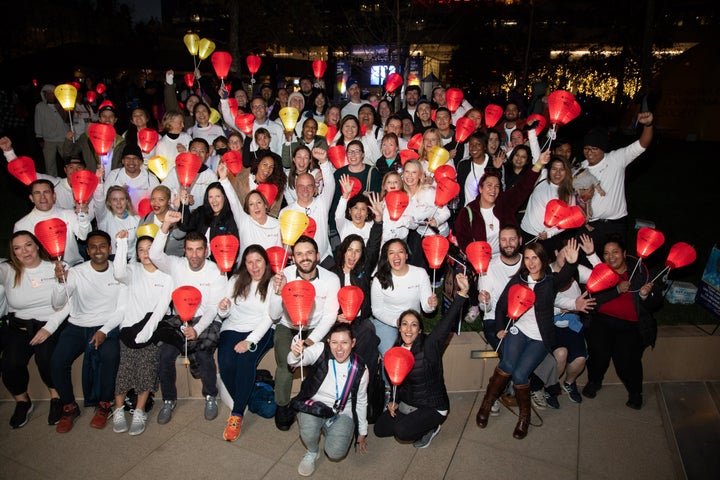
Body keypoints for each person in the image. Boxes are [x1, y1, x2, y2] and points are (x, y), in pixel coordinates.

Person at [475, 240, 580, 439]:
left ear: (543, 260)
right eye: (528, 258)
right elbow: (501, 306)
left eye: (536, 258)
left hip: (540, 337)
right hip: (519, 330)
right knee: (506, 364)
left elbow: (565, 275)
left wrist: (572, 263)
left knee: (520, 375)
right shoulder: (519, 280)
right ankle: (487, 404)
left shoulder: (549, 282)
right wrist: (498, 328)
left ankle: (524, 416)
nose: (531, 262)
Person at [374, 273, 469, 448]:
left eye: (414, 325)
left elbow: (446, 323)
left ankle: (431, 428)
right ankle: (414, 419)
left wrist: (462, 294)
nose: (408, 329)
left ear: (419, 330)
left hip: (432, 405)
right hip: (410, 402)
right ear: (399, 327)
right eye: (404, 324)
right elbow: (399, 384)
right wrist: (393, 401)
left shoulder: (429, 346)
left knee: (402, 432)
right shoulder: (396, 352)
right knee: (379, 430)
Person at [149, 213, 228, 425]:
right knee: (165, 355)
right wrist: (165, 226)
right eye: (190, 249)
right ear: (184, 250)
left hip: (205, 319)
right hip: (179, 319)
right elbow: (155, 255)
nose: (194, 255)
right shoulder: (176, 264)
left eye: (199, 249)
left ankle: (210, 395)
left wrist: (198, 329)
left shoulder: (217, 271)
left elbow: (212, 308)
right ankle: (168, 400)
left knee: (204, 354)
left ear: (207, 251)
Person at [49, 230, 125, 433]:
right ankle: (69, 406)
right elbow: (58, 304)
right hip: (77, 325)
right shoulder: (76, 272)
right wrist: (60, 282)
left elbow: (122, 308)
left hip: (107, 325)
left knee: (111, 355)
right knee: (57, 360)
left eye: (102, 246)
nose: (98, 250)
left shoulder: (119, 272)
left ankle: (105, 404)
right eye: (93, 247)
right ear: (87, 251)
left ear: (110, 249)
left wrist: (104, 331)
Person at [269, 236, 341, 431]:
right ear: (293, 258)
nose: (305, 258)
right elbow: (274, 315)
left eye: (309, 253)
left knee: (321, 363)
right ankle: (283, 405)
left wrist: (309, 341)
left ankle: (313, 402)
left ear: (317, 255)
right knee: (286, 363)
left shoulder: (331, 279)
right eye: (299, 254)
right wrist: (279, 291)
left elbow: (329, 316)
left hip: (315, 328)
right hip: (288, 325)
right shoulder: (283, 275)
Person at [582, 235, 661, 409]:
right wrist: (617, 290)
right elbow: (595, 300)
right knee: (598, 352)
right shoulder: (600, 272)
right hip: (602, 320)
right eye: (606, 253)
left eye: (615, 252)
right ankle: (594, 381)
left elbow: (655, 303)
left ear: (624, 253)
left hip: (630, 325)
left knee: (627, 359)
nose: (611, 257)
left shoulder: (639, 271)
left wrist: (645, 295)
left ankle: (635, 392)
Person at [0, 231, 70, 428]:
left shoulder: (56, 267)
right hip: (19, 326)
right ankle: (22, 401)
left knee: (46, 357)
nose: (24, 251)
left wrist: (48, 328)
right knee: (10, 363)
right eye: (17, 248)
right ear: (13, 252)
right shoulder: (8, 270)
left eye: (28, 245)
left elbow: (68, 302)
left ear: (37, 245)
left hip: (50, 323)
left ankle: (56, 397)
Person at [110, 231, 173, 436]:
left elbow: (161, 308)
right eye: (141, 250)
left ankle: (139, 410)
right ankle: (118, 409)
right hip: (129, 327)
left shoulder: (167, 275)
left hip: (152, 327)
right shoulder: (132, 270)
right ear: (136, 253)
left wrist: (146, 333)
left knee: (147, 364)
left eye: (149, 249)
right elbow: (118, 273)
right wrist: (120, 244)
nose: (146, 253)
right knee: (125, 367)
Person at [288, 323, 369, 476]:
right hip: (315, 406)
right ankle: (312, 452)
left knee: (335, 452)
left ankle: (328, 427)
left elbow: (361, 401)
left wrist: (362, 432)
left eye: (344, 342)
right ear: (328, 342)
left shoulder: (360, 369)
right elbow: (295, 361)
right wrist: (295, 354)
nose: (339, 348)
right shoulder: (320, 350)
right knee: (308, 430)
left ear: (353, 343)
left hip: (341, 412)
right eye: (334, 342)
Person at [217, 245, 276, 441]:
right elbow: (225, 313)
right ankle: (246, 397)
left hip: (260, 330)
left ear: (265, 262)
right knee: (225, 362)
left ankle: (237, 414)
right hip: (233, 326)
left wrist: (249, 341)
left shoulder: (272, 284)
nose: (254, 266)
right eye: (249, 262)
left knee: (244, 360)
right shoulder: (235, 279)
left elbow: (269, 318)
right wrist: (223, 308)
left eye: (258, 261)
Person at [579, 112, 654, 246]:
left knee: (616, 264)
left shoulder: (616, 159)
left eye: (594, 148)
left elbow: (643, 144)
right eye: (586, 148)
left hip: (615, 224)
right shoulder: (580, 168)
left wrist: (648, 125)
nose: (589, 152)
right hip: (591, 226)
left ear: (603, 149)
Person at [454, 150, 550, 254]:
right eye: (489, 185)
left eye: (497, 186)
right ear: (481, 189)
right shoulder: (468, 213)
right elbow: (465, 244)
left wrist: (539, 163)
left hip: (507, 258)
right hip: (483, 263)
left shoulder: (504, 203)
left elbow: (523, 187)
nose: (493, 190)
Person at [371, 238, 437, 379]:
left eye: (400, 252)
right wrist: (397, 322)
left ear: (407, 255)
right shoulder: (379, 279)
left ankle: (410, 389)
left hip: (411, 323)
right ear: (386, 257)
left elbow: (426, 309)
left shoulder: (420, 273)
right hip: (388, 322)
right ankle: (389, 389)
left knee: (415, 356)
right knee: (392, 355)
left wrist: (431, 305)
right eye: (391, 253)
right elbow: (376, 311)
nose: (396, 256)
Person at [14, 179, 92, 267]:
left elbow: (84, 236)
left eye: (46, 192)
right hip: (44, 272)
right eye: (37, 193)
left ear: (54, 196)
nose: (42, 197)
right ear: (31, 198)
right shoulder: (21, 225)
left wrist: (83, 215)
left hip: (73, 266)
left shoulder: (68, 214)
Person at [280, 149, 336, 268]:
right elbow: (284, 246)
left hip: (324, 260)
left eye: (309, 186)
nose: (305, 190)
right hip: (299, 264)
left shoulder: (322, 204)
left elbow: (330, 185)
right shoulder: (285, 213)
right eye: (301, 186)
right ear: (295, 188)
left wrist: (324, 162)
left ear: (315, 188)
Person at [176, 181, 239, 251]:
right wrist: (184, 204)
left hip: (217, 260)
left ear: (224, 197)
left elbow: (232, 247)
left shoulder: (231, 218)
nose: (214, 201)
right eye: (210, 197)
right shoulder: (201, 212)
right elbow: (183, 225)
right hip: (196, 258)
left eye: (218, 196)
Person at [162, 138, 218, 212]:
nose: (197, 154)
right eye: (194, 150)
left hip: (200, 217)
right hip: (176, 213)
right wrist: (180, 197)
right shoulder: (177, 170)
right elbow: (163, 190)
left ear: (207, 155)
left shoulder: (211, 176)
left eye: (202, 151)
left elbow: (215, 199)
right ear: (188, 151)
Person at [101, 144, 159, 209]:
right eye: (127, 158)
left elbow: (158, 202)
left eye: (135, 158)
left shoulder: (151, 179)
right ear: (123, 161)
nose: (131, 162)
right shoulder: (113, 176)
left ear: (141, 161)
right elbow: (105, 200)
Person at [231, 150, 286, 218]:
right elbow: (233, 199)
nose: (267, 169)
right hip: (241, 220)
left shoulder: (276, 187)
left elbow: (274, 212)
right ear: (258, 164)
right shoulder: (242, 177)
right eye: (265, 164)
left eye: (271, 167)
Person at [92, 185, 140, 259]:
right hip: (111, 261)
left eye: (122, 199)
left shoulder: (136, 219)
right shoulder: (104, 217)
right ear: (109, 202)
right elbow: (98, 202)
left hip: (131, 262)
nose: (119, 203)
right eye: (114, 199)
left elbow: (138, 245)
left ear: (127, 201)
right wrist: (99, 184)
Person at [34, 84, 72, 176]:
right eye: (49, 93)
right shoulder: (40, 106)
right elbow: (38, 122)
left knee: (69, 162)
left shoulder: (63, 105)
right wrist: (39, 137)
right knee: (49, 164)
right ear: (45, 94)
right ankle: (52, 182)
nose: (51, 95)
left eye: (53, 93)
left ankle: (71, 180)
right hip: (48, 140)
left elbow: (68, 120)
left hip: (63, 138)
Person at [138, 185, 185, 257]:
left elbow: (180, 235)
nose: (156, 203)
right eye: (153, 199)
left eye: (161, 199)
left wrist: (178, 209)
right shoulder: (144, 220)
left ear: (169, 201)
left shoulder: (178, 218)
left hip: (173, 264)